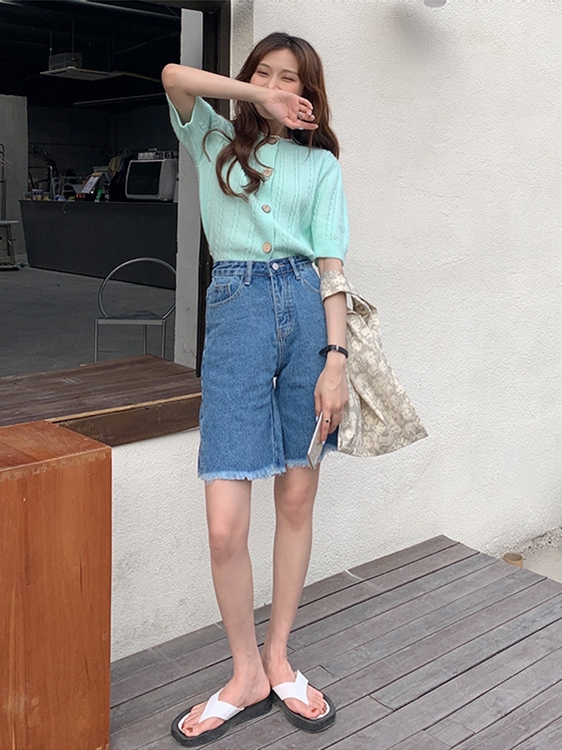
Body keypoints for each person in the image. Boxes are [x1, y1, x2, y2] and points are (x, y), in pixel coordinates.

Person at [162, 31, 349, 746]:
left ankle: (277, 658)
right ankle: (244, 673)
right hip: (236, 315)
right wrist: (257, 96)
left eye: (289, 78)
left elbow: (331, 265)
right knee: (224, 525)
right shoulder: (212, 136)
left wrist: (336, 360)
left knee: (296, 499)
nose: (276, 84)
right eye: (264, 73)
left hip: (306, 314)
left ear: (309, 92)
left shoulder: (320, 164)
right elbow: (173, 75)